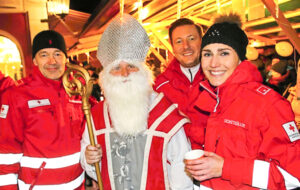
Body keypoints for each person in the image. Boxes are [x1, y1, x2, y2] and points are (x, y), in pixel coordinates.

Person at [185, 13, 300, 190]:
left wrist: (224, 168)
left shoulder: (269, 104)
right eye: (207, 54)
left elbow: (293, 175)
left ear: (240, 59)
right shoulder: (211, 99)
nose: (214, 63)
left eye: (224, 53)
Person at [80, 14, 193, 190]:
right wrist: (88, 159)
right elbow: (93, 170)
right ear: (107, 76)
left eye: (131, 66)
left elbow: (181, 166)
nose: (125, 74)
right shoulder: (95, 117)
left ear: (143, 71)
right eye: (117, 68)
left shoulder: (166, 114)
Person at [0, 30, 86, 189]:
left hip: (77, 185)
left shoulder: (77, 92)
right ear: (34, 60)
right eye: (44, 55)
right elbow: (6, 154)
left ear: (66, 58)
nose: (52, 61)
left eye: (58, 54)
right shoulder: (17, 95)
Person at [153, 18, 208, 149]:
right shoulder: (159, 86)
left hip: (212, 160)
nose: (186, 46)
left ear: (202, 41)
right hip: (176, 163)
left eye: (191, 38)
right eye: (179, 41)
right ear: (172, 47)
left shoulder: (217, 79)